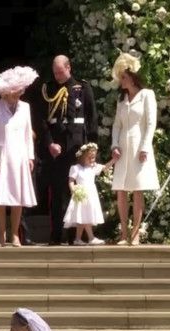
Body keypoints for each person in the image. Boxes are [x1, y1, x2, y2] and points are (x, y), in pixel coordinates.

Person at [37, 55, 97, 245]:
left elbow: (91, 118)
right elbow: (43, 120)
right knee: (57, 193)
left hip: (77, 147)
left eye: (60, 72)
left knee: (78, 191)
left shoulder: (82, 87)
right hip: (57, 147)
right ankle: (56, 235)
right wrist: (49, 143)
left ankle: (75, 236)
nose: (57, 76)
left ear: (69, 67)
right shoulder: (48, 89)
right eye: (55, 73)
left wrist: (92, 148)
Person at [0, 66, 38, 248]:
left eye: (19, 92)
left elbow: (28, 134)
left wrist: (30, 157)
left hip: (19, 157)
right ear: (5, 91)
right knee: (0, 196)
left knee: (17, 197)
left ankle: (14, 234)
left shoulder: (25, 107)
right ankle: (1, 233)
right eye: (13, 92)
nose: (17, 95)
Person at [110, 53, 159, 246]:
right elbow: (117, 125)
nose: (121, 81)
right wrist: (114, 145)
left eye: (123, 77)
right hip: (123, 147)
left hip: (139, 146)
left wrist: (145, 146)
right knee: (121, 189)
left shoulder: (147, 95)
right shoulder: (121, 100)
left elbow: (151, 123)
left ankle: (136, 233)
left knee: (138, 189)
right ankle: (123, 233)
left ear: (132, 77)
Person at [65, 143, 112, 245]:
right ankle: (91, 238)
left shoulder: (93, 168)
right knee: (84, 215)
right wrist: (73, 190)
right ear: (83, 157)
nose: (92, 160)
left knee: (82, 216)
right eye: (89, 157)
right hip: (81, 195)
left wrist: (114, 160)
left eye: (93, 157)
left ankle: (77, 239)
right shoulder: (76, 168)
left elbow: (105, 167)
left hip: (91, 195)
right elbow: (71, 181)